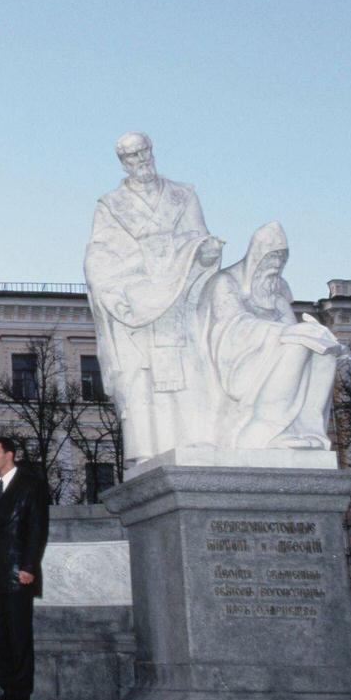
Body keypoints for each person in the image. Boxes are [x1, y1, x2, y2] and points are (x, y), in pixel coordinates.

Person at [83, 131, 223, 463]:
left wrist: (205, 252)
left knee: (189, 371)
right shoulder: (111, 205)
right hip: (137, 306)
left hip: (179, 303)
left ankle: (196, 443)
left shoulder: (182, 195)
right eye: (132, 156)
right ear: (123, 162)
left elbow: (197, 236)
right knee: (142, 379)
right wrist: (124, 282)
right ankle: (149, 453)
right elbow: (98, 255)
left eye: (144, 152)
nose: (141, 160)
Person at [200, 221, 342, 449]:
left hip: (270, 351)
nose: (275, 265)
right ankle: (264, 429)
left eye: (280, 259)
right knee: (296, 346)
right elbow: (232, 326)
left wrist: (311, 332)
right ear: (257, 256)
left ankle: (308, 430)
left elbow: (288, 322)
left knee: (323, 351)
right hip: (236, 362)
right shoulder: (226, 282)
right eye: (271, 258)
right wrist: (284, 332)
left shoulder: (277, 287)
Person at [0, 436, 49, 700]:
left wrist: (29, 566)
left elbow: (38, 529)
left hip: (17, 573)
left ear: (9, 455)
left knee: (18, 635)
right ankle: (7, 691)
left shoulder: (31, 486)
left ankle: (21, 693)